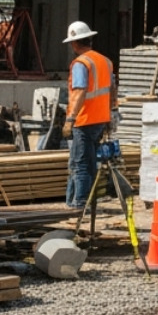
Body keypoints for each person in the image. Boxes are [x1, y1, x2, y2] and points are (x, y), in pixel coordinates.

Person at [62, 21, 116, 210]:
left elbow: (80, 91)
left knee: (80, 163)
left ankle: (80, 203)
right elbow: (112, 89)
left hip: (83, 121)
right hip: (99, 119)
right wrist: (111, 114)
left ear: (74, 43)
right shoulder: (105, 61)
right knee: (84, 161)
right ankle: (73, 200)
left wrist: (70, 119)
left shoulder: (81, 64)